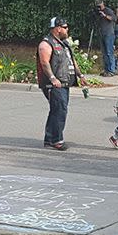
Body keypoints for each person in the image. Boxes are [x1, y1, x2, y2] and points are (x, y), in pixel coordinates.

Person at [38, 17, 88, 151]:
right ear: (58, 28)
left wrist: (80, 75)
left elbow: (72, 60)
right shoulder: (46, 44)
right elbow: (44, 63)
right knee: (60, 110)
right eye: (65, 27)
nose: (67, 30)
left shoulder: (64, 43)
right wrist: (53, 78)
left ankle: (49, 138)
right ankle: (57, 140)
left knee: (56, 110)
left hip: (64, 82)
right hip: (53, 84)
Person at [95, 0, 117, 76]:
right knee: (104, 52)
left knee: (109, 52)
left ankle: (112, 70)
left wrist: (105, 15)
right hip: (101, 33)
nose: (99, 7)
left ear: (102, 4)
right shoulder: (97, 12)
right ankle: (106, 69)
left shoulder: (108, 10)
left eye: (99, 6)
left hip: (109, 33)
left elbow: (114, 18)